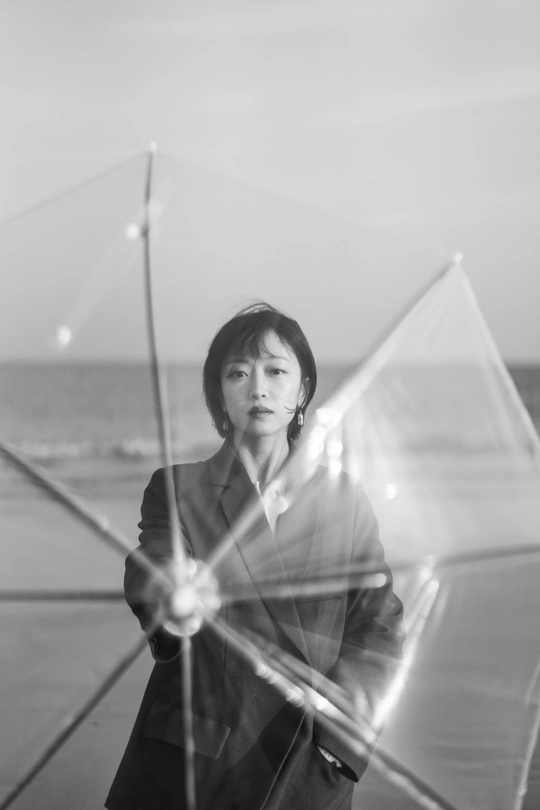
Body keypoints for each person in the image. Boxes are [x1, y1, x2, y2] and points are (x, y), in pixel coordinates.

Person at [105, 304, 404, 810]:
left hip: (309, 765)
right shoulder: (179, 488)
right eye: (238, 373)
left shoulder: (343, 501)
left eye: (276, 371)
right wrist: (171, 583)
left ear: (302, 390)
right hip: (197, 759)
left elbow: (378, 625)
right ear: (220, 393)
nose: (258, 389)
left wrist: (342, 741)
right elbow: (151, 561)